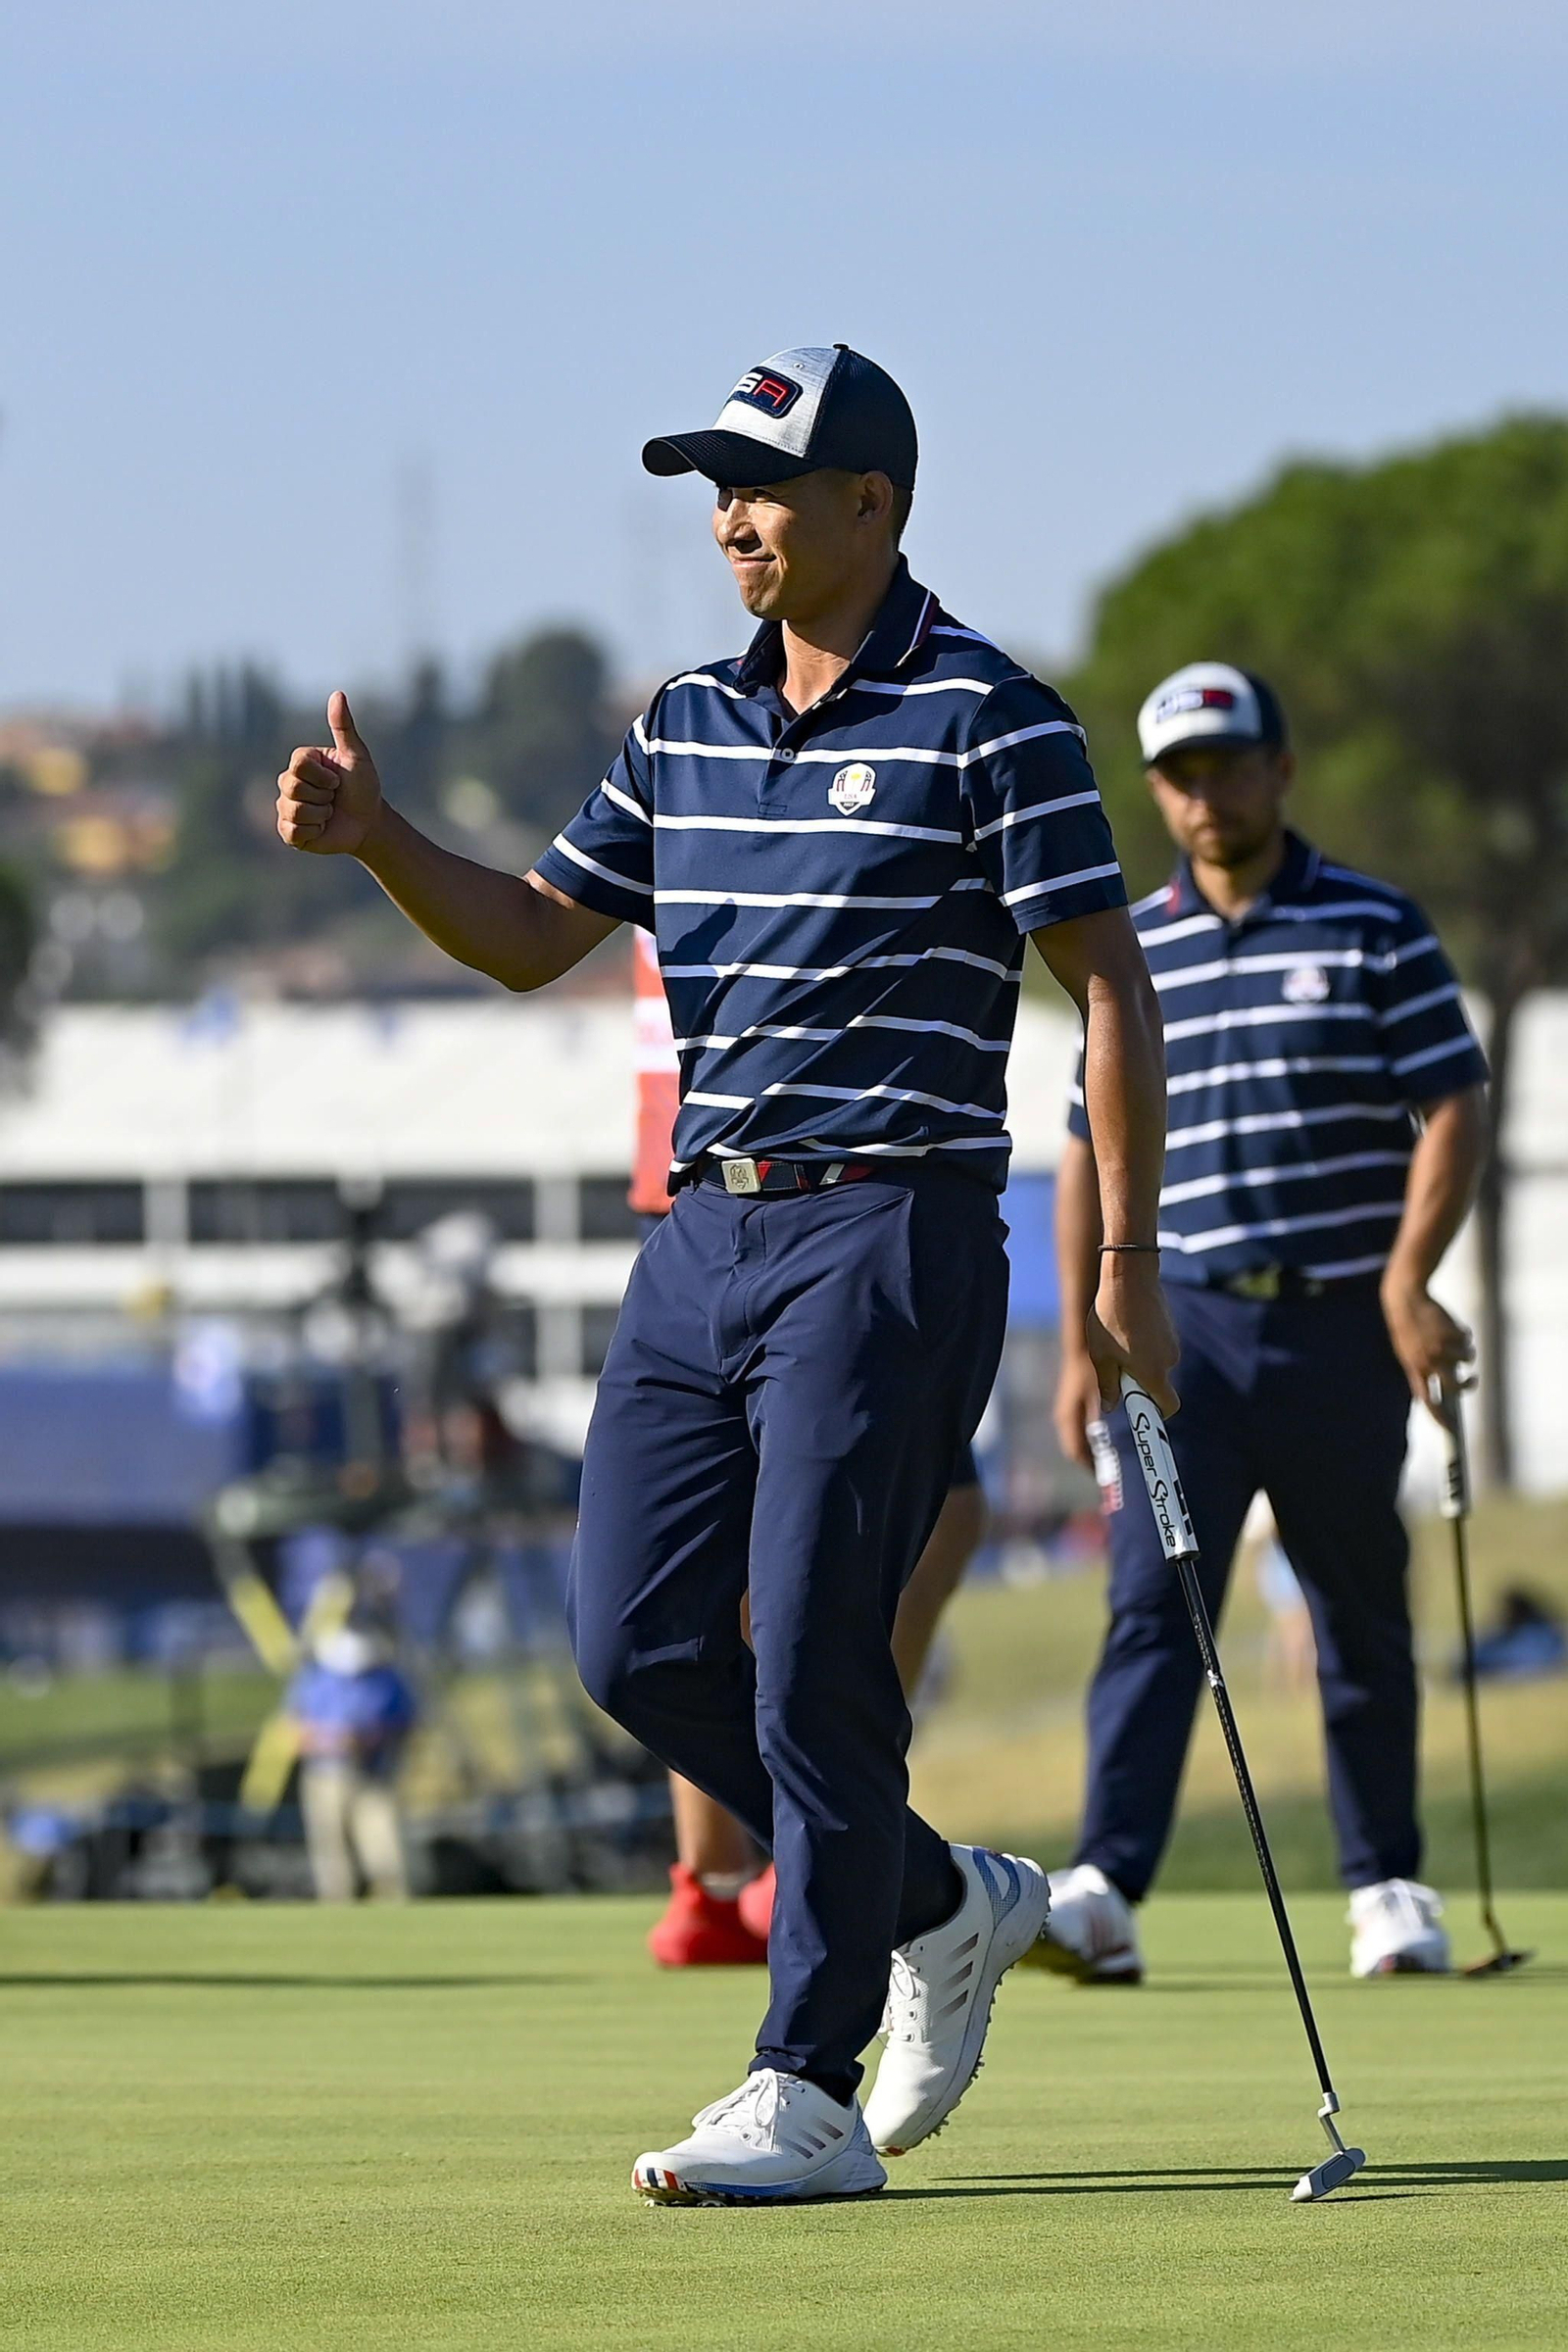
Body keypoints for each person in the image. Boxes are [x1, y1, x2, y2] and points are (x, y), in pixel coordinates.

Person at [274, 343, 1175, 2204]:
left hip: (893, 1223)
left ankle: (807, 2086)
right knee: (635, 1648)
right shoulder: (682, 718)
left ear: (874, 503)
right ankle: (946, 1902)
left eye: (762, 485)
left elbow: (1112, 989)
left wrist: (1127, 1265)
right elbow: (535, 938)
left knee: (808, 1667)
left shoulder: (992, 716)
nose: (728, 518)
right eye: (715, 486)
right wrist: (381, 846)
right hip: (706, 1236)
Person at [1043, 662, 1489, 1984]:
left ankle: (1387, 1886)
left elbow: (1453, 1106)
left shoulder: (1373, 926)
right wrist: (1084, 1335)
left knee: (1358, 1605)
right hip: (1184, 1335)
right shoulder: (1133, 945)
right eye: (1179, 776)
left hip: (1340, 1325)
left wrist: (1410, 1278)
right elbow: (1085, 1148)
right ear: (1158, 793)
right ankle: (1106, 1889)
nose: (1205, 795)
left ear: (1280, 771)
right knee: (1150, 1609)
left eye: (1228, 766)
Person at [633, 936, 989, 1965]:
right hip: (786, 1198)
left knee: (733, 1567)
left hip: (713, 1188)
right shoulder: (721, 802)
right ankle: (785, 1856)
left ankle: (714, 1879)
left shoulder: (686, 800)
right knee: (795, 1563)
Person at [286, 1625, 418, 1901]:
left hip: (373, 1774)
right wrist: (333, 1741)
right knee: (331, 1849)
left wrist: (371, 1740)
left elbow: (405, 1724)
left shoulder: (386, 1678)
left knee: (384, 1847)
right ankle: (337, 1907)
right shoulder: (313, 1679)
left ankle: (393, 1903)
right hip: (326, 1774)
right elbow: (293, 1732)